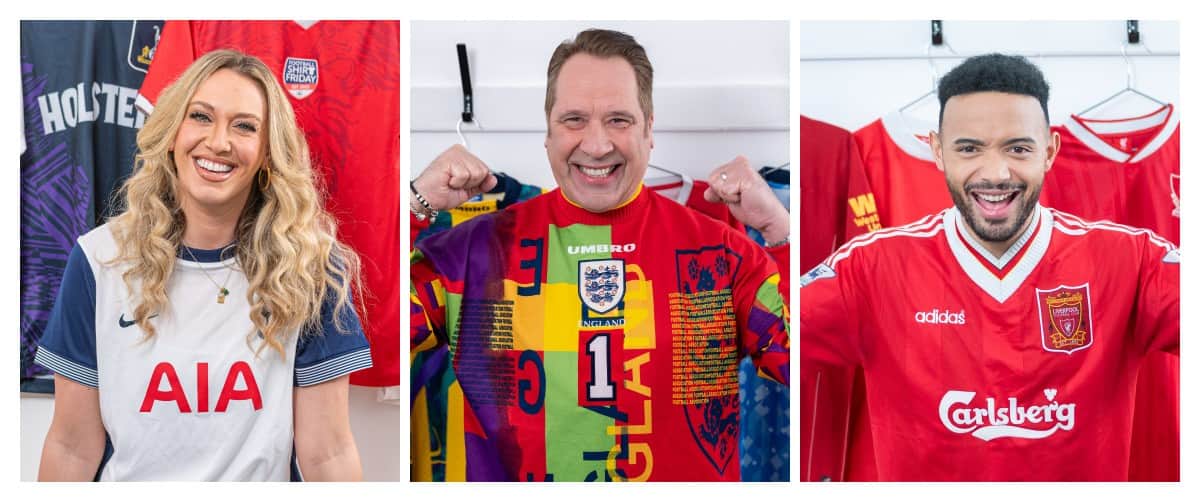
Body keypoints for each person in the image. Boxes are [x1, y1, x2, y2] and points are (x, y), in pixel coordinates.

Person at [409, 28, 790, 482]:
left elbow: (804, 365)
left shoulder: (724, 252)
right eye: (574, 119)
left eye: (618, 120)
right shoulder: (469, 254)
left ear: (650, 130)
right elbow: (372, 340)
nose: (596, 145)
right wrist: (413, 206)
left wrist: (778, 231)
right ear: (547, 131)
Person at [799, 54, 1180, 481]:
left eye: (1018, 148)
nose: (996, 174)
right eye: (969, 149)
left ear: (1050, 151)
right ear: (938, 151)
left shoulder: (1131, 259)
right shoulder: (870, 268)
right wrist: (778, 233)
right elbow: (770, 339)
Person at [35, 49, 372, 481]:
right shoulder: (99, 259)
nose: (218, 142)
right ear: (172, 133)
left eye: (245, 127)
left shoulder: (309, 267)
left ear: (268, 154)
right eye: (200, 117)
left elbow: (329, 454)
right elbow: (71, 446)